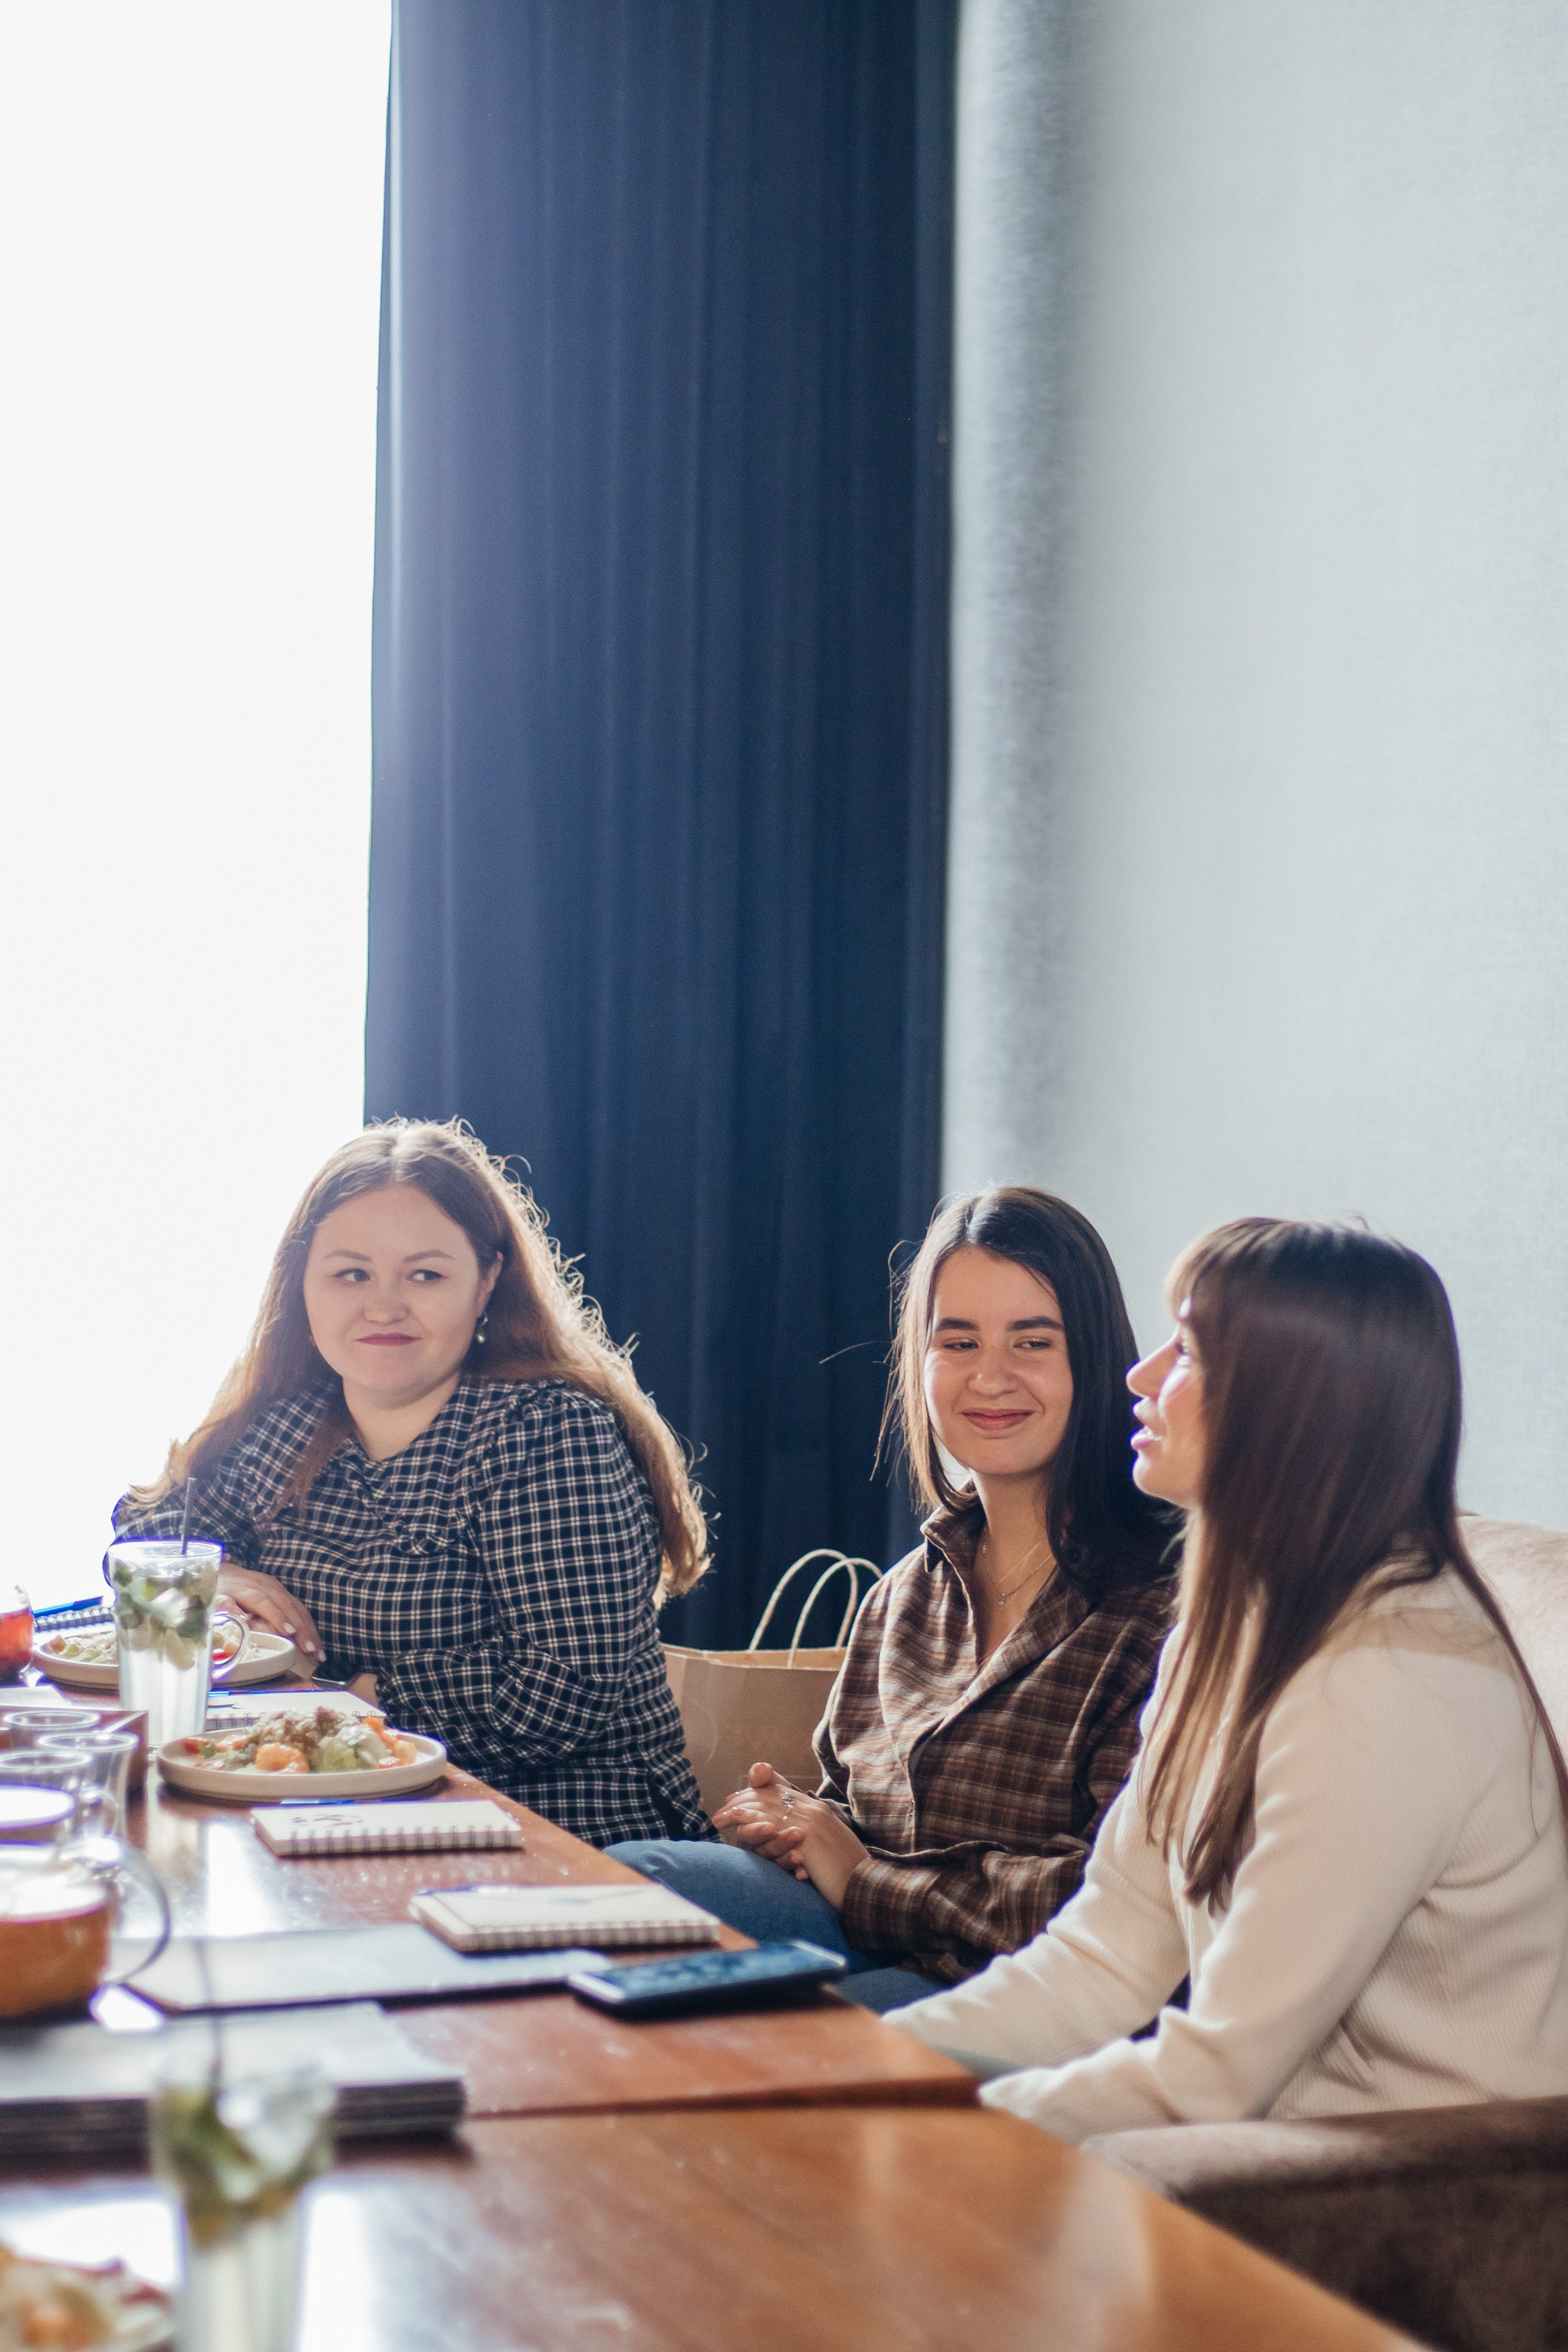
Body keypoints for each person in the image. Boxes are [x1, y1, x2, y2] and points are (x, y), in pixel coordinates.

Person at [890, 1218, 1568, 2136]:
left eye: (1189, 1350)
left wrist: (914, 2126)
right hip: (1261, 2151)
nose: (1139, 1375)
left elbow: (1213, 2077)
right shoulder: (1231, 1632)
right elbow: (1103, 1957)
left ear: (1297, 1406)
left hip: (1422, 2197)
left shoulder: (1386, 1685)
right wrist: (869, 2065)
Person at [609, 1186, 1178, 2011]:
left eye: (1033, 1340)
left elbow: (1111, 1903)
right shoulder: (904, 1595)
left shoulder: (1162, 1603)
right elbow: (849, 1810)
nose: (990, 1375)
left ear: (1094, 1356)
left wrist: (866, 1878)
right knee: (632, 1885)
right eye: (958, 1340)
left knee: (799, 2031)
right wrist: (792, 1822)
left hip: (1037, 1992)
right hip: (878, 1936)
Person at [112, 1120, 711, 1847]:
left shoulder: (548, 1431)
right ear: (301, 1282)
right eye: (351, 1273)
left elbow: (563, 1691)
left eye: (425, 1275)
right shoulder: (291, 1419)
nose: (384, 1306)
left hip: (560, 1831)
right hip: (335, 1812)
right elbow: (145, 1533)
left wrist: (358, 1700)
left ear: (487, 1281)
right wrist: (219, 1575)